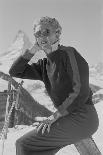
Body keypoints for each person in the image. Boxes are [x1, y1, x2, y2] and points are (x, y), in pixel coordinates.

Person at [9, 16, 99, 155]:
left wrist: (54, 116)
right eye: (37, 34)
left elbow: (80, 91)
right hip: (66, 118)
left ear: (57, 33)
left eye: (46, 32)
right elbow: (15, 71)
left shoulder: (69, 53)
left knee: (25, 144)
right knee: (26, 146)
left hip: (83, 117)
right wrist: (33, 49)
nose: (41, 36)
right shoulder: (44, 65)